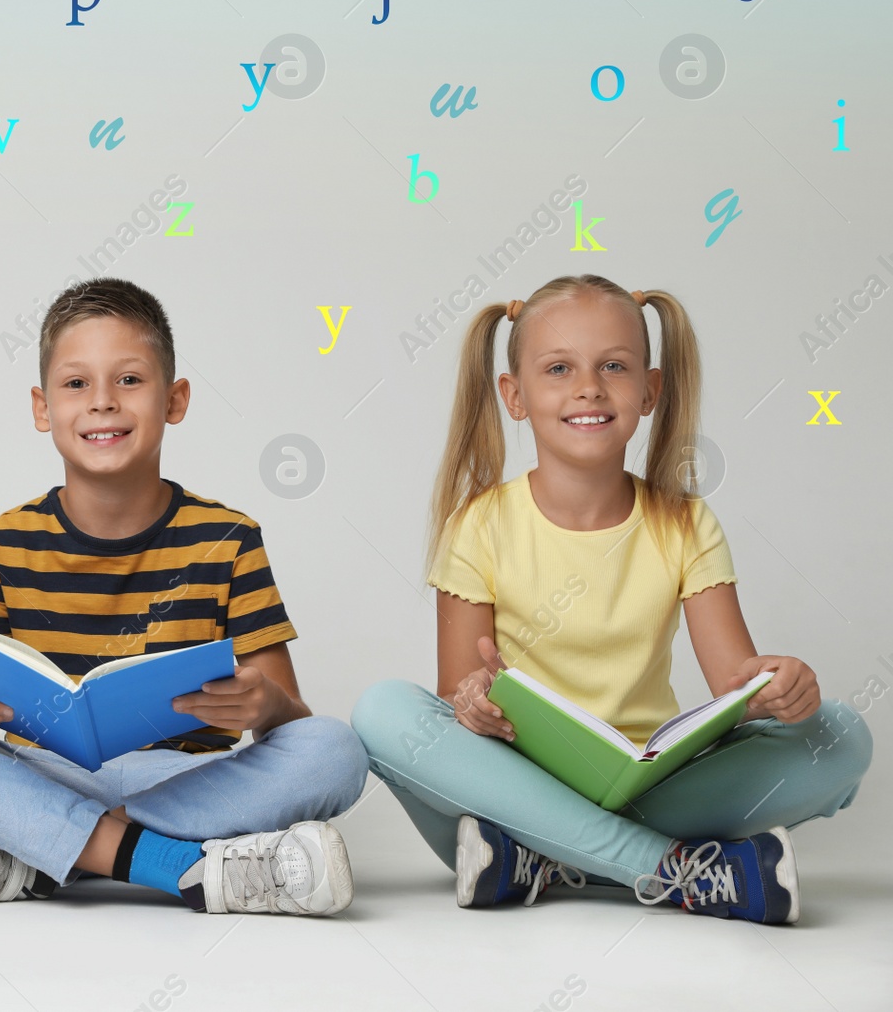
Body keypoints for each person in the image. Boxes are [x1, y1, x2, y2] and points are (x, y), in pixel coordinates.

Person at [351, 275, 871, 924]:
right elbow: (458, 692)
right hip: (516, 795)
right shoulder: (478, 525)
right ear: (514, 395)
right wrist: (473, 703)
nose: (589, 388)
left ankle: (551, 860)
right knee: (383, 712)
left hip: (651, 793)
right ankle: (676, 872)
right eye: (559, 368)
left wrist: (780, 691)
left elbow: (736, 689)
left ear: (649, 390)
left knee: (843, 736)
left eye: (614, 367)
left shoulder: (686, 525)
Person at [0, 278, 367, 914]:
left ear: (174, 400)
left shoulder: (228, 539)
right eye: (77, 385)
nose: (102, 403)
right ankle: (166, 863)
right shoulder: (2, 540)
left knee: (335, 751)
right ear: (43, 409)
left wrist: (263, 704)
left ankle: (37, 855)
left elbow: (291, 723)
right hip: (43, 774)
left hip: (184, 781)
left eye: (129, 380)